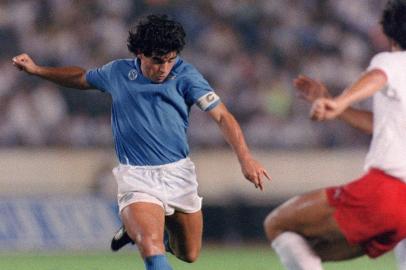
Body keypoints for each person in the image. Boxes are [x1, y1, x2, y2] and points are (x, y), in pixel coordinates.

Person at [12, 14, 270, 270]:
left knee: (189, 254)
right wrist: (37, 70)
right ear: (140, 54)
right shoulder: (118, 72)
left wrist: (245, 158)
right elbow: (81, 78)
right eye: (157, 61)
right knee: (150, 244)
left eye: (170, 60)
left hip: (179, 174)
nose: (164, 68)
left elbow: (223, 116)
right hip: (137, 177)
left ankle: (133, 229)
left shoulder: (186, 75)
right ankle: (140, 229)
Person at [263, 1, 406, 269]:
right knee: (315, 250)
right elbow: (383, 124)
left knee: (279, 225)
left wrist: (339, 101)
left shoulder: (393, 60)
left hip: (388, 191)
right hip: (403, 210)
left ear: (388, 33)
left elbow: (378, 74)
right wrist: (334, 104)